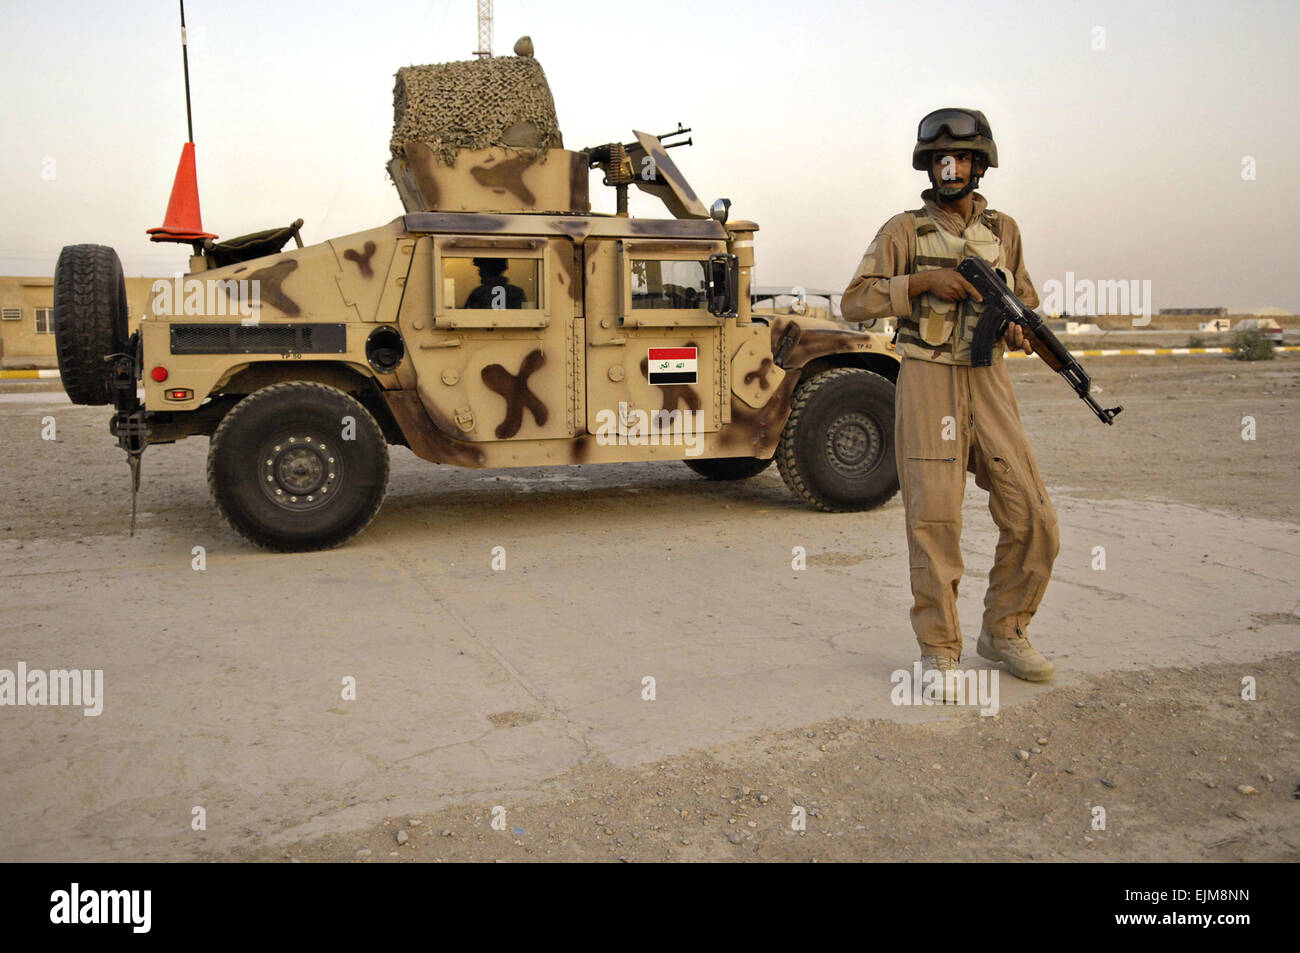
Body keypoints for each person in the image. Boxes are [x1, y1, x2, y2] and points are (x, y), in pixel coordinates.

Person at [842, 108, 1059, 693]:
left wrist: (1021, 331)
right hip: (928, 379)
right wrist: (919, 284)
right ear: (927, 165)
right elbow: (855, 301)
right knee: (935, 519)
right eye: (940, 158)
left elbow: (1029, 310)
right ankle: (940, 651)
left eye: (961, 157)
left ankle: (1005, 630)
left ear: (979, 164)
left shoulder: (1005, 231)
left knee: (1033, 514)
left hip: (989, 381)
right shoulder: (903, 231)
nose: (950, 167)